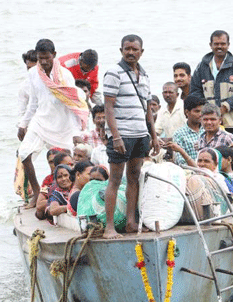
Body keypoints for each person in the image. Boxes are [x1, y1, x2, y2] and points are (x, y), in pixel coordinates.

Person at [18, 39, 89, 209]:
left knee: (70, 162)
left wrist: (75, 132)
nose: (43, 62)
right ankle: (36, 192)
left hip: (63, 123)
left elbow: (72, 103)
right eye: (40, 58)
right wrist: (23, 124)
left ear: (54, 55)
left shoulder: (65, 75)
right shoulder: (33, 73)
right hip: (41, 121)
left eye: (46, 58)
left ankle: (71, 198)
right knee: (24, 154)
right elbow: (33, 102)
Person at [103, 34, 159, 238]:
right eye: (127, 49)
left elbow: (148, 110)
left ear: (141, 52)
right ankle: (109, 227)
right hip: (122, 135)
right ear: (121, 50)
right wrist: (115, 136)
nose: (131, 52)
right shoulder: (114, 73)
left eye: (135, 49)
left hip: (140, 134)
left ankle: (130, 222)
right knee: (115, 179)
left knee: (134, 177)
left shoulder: (144, 75)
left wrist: (153, 136)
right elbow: (108, 107)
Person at [189, 30, 233, 144]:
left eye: (223, 44)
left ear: (228, 45)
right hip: (209, 121)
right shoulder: (202, 66)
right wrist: (208, 110)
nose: (219, 47)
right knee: (209, 154)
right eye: (216, 44)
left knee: (232, 153)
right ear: (210, 45)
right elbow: (195, 91)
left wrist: (225, 107)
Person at [165, 95, 205, 167]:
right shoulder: (179, 134)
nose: (200, 115)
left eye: (202, 112)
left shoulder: (207, 130)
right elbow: (180, 162)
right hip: (190, 172)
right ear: (187, 112)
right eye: (197, 111)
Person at [17, 50, 38, 120]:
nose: (31, 71)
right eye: (29, 68)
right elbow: (22, 112)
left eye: (34, 68)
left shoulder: (52, 82)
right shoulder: (24, 87)